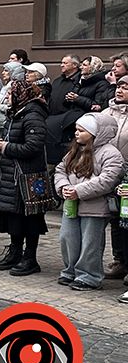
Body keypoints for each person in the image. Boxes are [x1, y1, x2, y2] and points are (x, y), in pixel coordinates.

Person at [54, 113, 124, 290]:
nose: (76, 134)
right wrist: (63, 187)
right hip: (71, 203)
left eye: (81, 130)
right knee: (67, 238)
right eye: (76, 130)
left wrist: (78, 191)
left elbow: (107, 180)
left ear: (95, 133)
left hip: (95, 207)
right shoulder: (75, 151)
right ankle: (70, 270)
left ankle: (89, 276)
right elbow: (61, 170)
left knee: (90, 243)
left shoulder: (111, 154)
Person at [0, 79, 50, 276]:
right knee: (13, 216)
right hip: (12, 173)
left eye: (9, 94)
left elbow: (33, 146)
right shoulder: (16, 113)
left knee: (30, 219)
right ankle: (15, 251)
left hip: (28, 176)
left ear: (20, 95)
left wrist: (6, 147)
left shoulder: (33, 115)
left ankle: (30, 257)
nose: (7, 98)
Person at [105, 75, 128, 286]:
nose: (120, 90)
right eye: (119, 86)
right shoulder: (107, 112)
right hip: (110, 170)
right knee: (115, 218)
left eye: (126, 87)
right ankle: (119, 260)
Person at [45, 55, 84, 164]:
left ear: (75, 65)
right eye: (61, 62)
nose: (61, 65)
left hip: (67, 124)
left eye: (65, 63)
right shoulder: (57, 81)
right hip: (52, 121)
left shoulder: (80, 82)